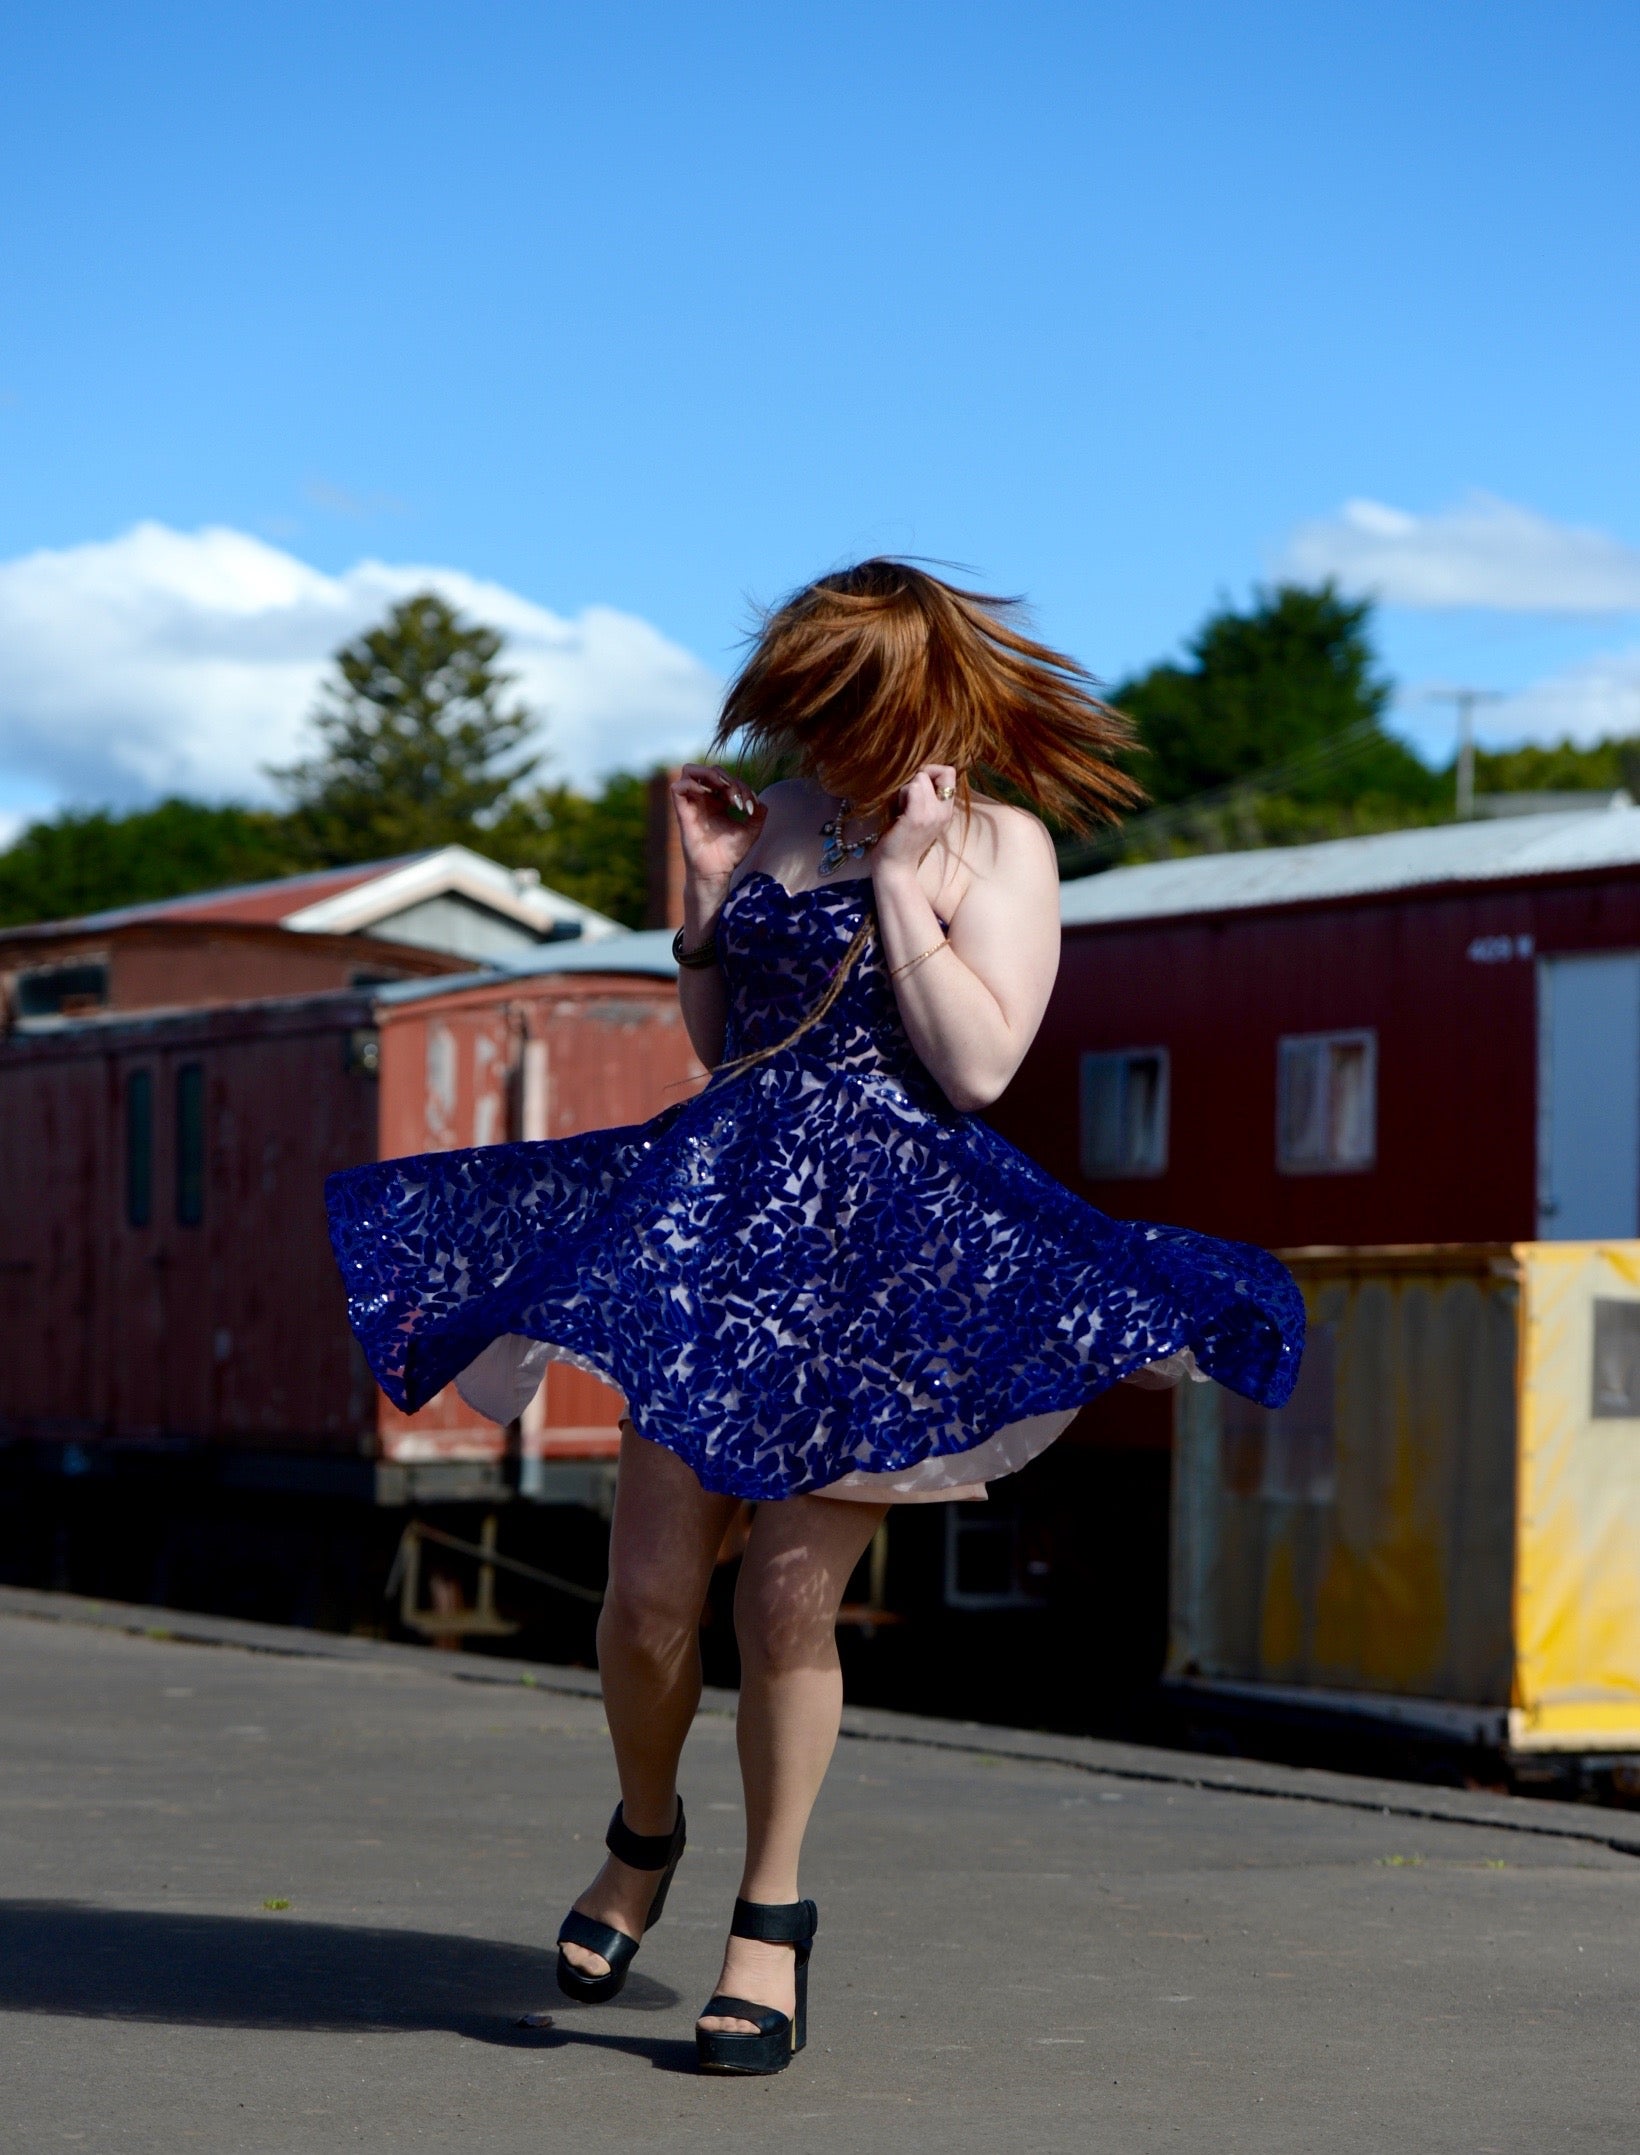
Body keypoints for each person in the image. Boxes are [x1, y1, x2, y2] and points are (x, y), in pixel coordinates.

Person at [326, 560, 1303, 2076]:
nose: (812, 737)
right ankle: (642, 1837)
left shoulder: (1000, 844)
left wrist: (910, 881)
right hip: (732, 1230)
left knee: (787, 1593)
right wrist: (710, 909)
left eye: (839, 707)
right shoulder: (779, 818)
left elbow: (978, 1069)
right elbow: (726, 1043)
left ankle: (768, 1925)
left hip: (887, 1258)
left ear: (915, 697)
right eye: (798, 706)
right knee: (650, 1595)